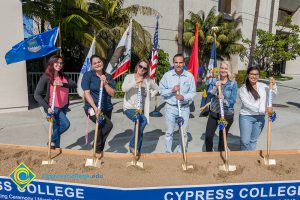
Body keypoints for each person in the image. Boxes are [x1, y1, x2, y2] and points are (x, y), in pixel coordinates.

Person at [34, 55, 76, 149]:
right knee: (65, 124)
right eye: (57, 62)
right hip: (53, 107)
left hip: (64, 106)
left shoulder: (63, 75)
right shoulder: (46, 77)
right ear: (51, 63)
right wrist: (47, 108)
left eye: (61, 63)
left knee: (56, 127)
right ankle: (52, 140)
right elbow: (37, 94)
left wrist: (62, 84)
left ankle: (55, 147)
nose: (59, 65)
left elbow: (73, 84)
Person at [159, 54, 196, 153]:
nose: (178, 64)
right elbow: (161, 91)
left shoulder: (189, 76)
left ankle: (182, 152)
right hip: (170, 107)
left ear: (184, 63)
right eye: (176, 62)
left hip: (184, 108)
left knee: (183, 133)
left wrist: (183, 97)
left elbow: (193, 93)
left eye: (180, 62)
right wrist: (172, 90)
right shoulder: (167, 75)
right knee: (169, 132)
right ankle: (168, 153)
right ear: (173, 63)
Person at [122, 60, 159, 156]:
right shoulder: (129, 77)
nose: (142, 69)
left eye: (145, 68)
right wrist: (135, 82)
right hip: (129, 107)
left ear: (146, 70)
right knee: (141, 120)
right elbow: (124, 88)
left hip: (140, 108)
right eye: (140, 66)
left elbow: (157, 89)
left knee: (141, 124)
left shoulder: (148, 81)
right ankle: (132, 146)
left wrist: (149, 95)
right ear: (137, 66)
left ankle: (136, 151)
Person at [81, 55, 115, 158]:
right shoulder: (88, 75)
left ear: (102, 62)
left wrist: (105, 83)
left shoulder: (108, 76)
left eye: (99, 62)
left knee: (101, 128)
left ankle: (98, 152)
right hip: (92, 108)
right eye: (94, 63)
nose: (97, 64)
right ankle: (97, 148)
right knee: (108, 125)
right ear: (91, 65)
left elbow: (112, 93)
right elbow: (87, 93)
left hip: (107, 107)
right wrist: (95, 108)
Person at [239, 66, 277, 151]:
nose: (254, 76)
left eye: (256, 74)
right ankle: (244, 158)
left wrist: (273, 85)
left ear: (258, 76)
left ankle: (251, 158)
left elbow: (272, 94)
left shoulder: (263, 86)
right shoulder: (243, 89)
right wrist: (264, 110)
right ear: (248, 75)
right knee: (245, 141)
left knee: (253, 140)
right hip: (247, 117)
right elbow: (247, 105)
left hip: (260, 117)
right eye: (252, 74)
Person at [204, 61, 238, 152]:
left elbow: (233, 100)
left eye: (226, 68)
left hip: (227, 114)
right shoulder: (215, 80)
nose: (223, 70)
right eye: (222, 68)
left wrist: (224, 100)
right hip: (214, 112)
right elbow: (209, 96)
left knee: (222, 137)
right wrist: (215, 88)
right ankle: (208, 155)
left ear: (229, 70)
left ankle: (221, 156)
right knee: (208, 136)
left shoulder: (233, 83)